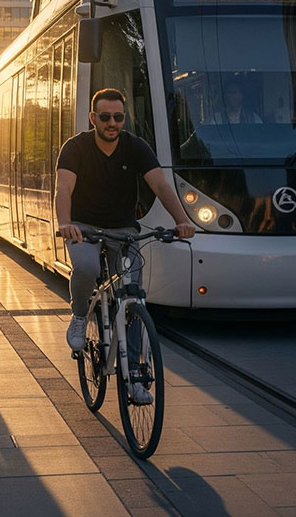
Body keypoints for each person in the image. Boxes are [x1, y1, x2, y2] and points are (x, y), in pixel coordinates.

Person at [56, 88, 197, 404]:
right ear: (93, 118)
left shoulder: (136, 147)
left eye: (118, 117)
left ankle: (134, 376)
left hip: (123, 229)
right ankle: (80, 315)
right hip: (83, 227)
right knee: (88, 267)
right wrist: (65, 223)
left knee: (134, 297)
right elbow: (63, 188)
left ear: (124, 118)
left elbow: (160, 184)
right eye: (104, 117)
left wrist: (181, 220)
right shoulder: (75, 148)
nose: (112, 123)